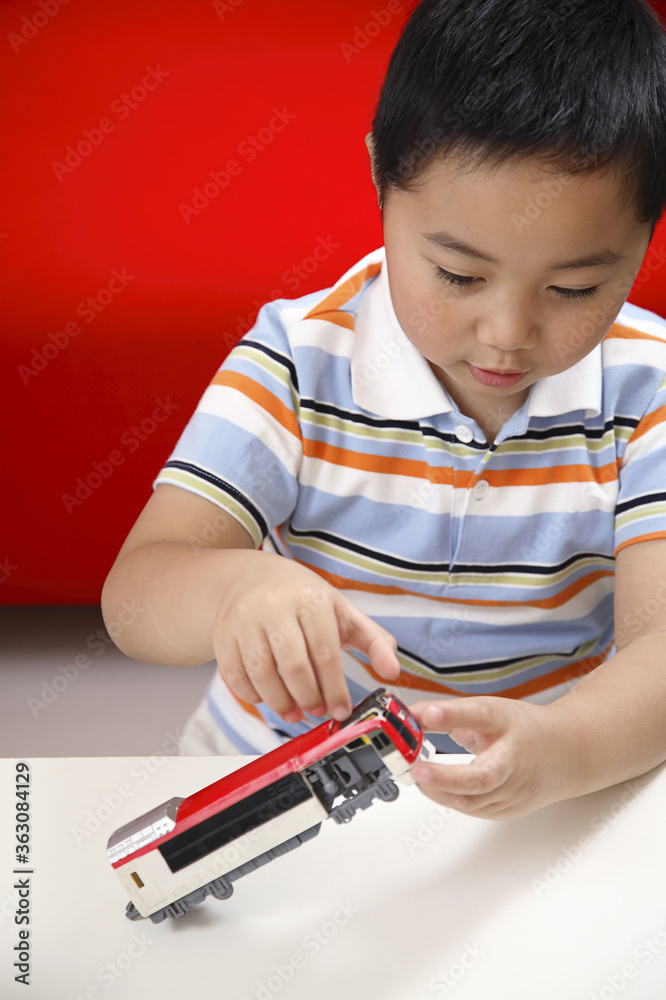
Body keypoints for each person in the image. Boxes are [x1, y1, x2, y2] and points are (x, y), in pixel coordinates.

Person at [102, 0, 666, 820]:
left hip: (535, 791)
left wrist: (564, 745)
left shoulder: (648, 389)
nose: (506, 333)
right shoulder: (297, 361)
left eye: (573, 288)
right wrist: (233, 590)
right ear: (380, 177)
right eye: (459, 276)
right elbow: (136, 593)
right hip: (272, 780)